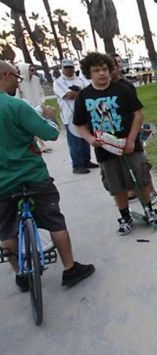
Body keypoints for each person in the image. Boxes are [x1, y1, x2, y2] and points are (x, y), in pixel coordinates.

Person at [0, 61, 95, 290]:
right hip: (32, 176)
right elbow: (50, 134)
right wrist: (50, 117)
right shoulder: (16, 106)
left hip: (2, 185)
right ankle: (70, 269)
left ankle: (21, 275)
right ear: (5, 75)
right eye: (16, 77)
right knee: (55, 222)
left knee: (6, 231)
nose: (17, 82)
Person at [73, 53, 157, 235]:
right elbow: (79, 124)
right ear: (89, 73)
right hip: (104, 149)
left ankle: (149, 210)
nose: (102, 73)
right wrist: (90, 139)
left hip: (130, 145)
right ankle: (125, 217)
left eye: (104, 69)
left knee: (141, 178)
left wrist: (131, 140)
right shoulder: (84, 96)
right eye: (96, 70)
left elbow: (138, 114)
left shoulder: (122, 89)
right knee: (116, 185)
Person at [109, 53, 157, 205]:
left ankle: (150, 190)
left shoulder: (127, 85)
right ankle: (130, 190)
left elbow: (136, 111)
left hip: (132, 131)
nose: (118, 66)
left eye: (119, 63)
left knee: (141, 163)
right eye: (114, 63)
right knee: (121, 165)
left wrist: (136, 132)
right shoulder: (105, 86)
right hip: (114, 132)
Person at [53, 58, 97, 174]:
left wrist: (77, 92)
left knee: (85, 138)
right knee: (74, 140)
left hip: (83, 113)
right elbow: (68, 95)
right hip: (69, 115)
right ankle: (77, 164)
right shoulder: (58, 82)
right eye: (66, 68)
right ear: (62, 69)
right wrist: (79, 93)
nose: (68, 70)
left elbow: (90, 91)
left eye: (70, 67)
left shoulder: (80, 80)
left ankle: (86, 161)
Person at [16, 62, 51, 152]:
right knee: (32, 126)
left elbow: (40, 92)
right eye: (31, 70)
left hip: (37, 105)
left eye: (33, 70)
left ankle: (37, 144)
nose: (33, 72)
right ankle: (41, 145)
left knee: (36, 125)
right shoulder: (19, 81)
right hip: (27, 107)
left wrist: (41, 103)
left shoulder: (36, 79)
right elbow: (18, 95)